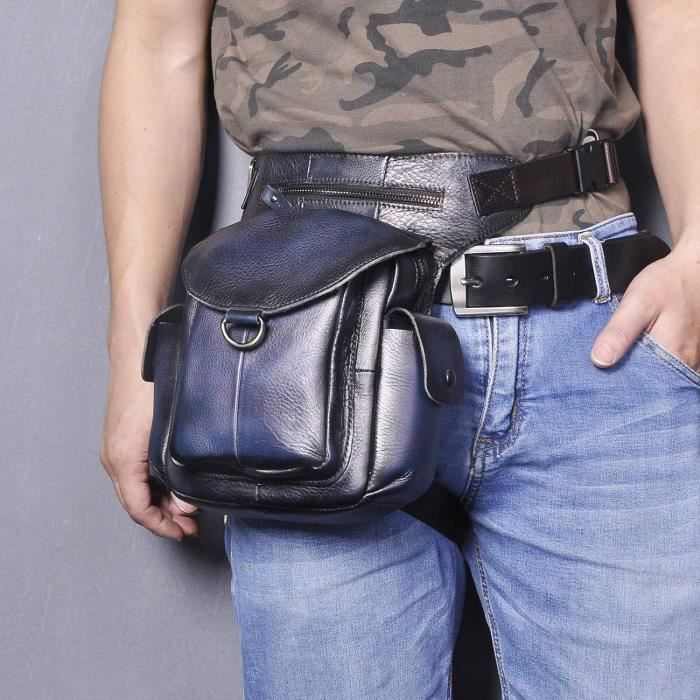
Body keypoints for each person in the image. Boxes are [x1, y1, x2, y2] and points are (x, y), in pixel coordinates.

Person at [98, 1, 699, 697]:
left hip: (592, 340)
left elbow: (679, 19)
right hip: (307, 345)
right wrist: (135, 358)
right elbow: (156, 46)